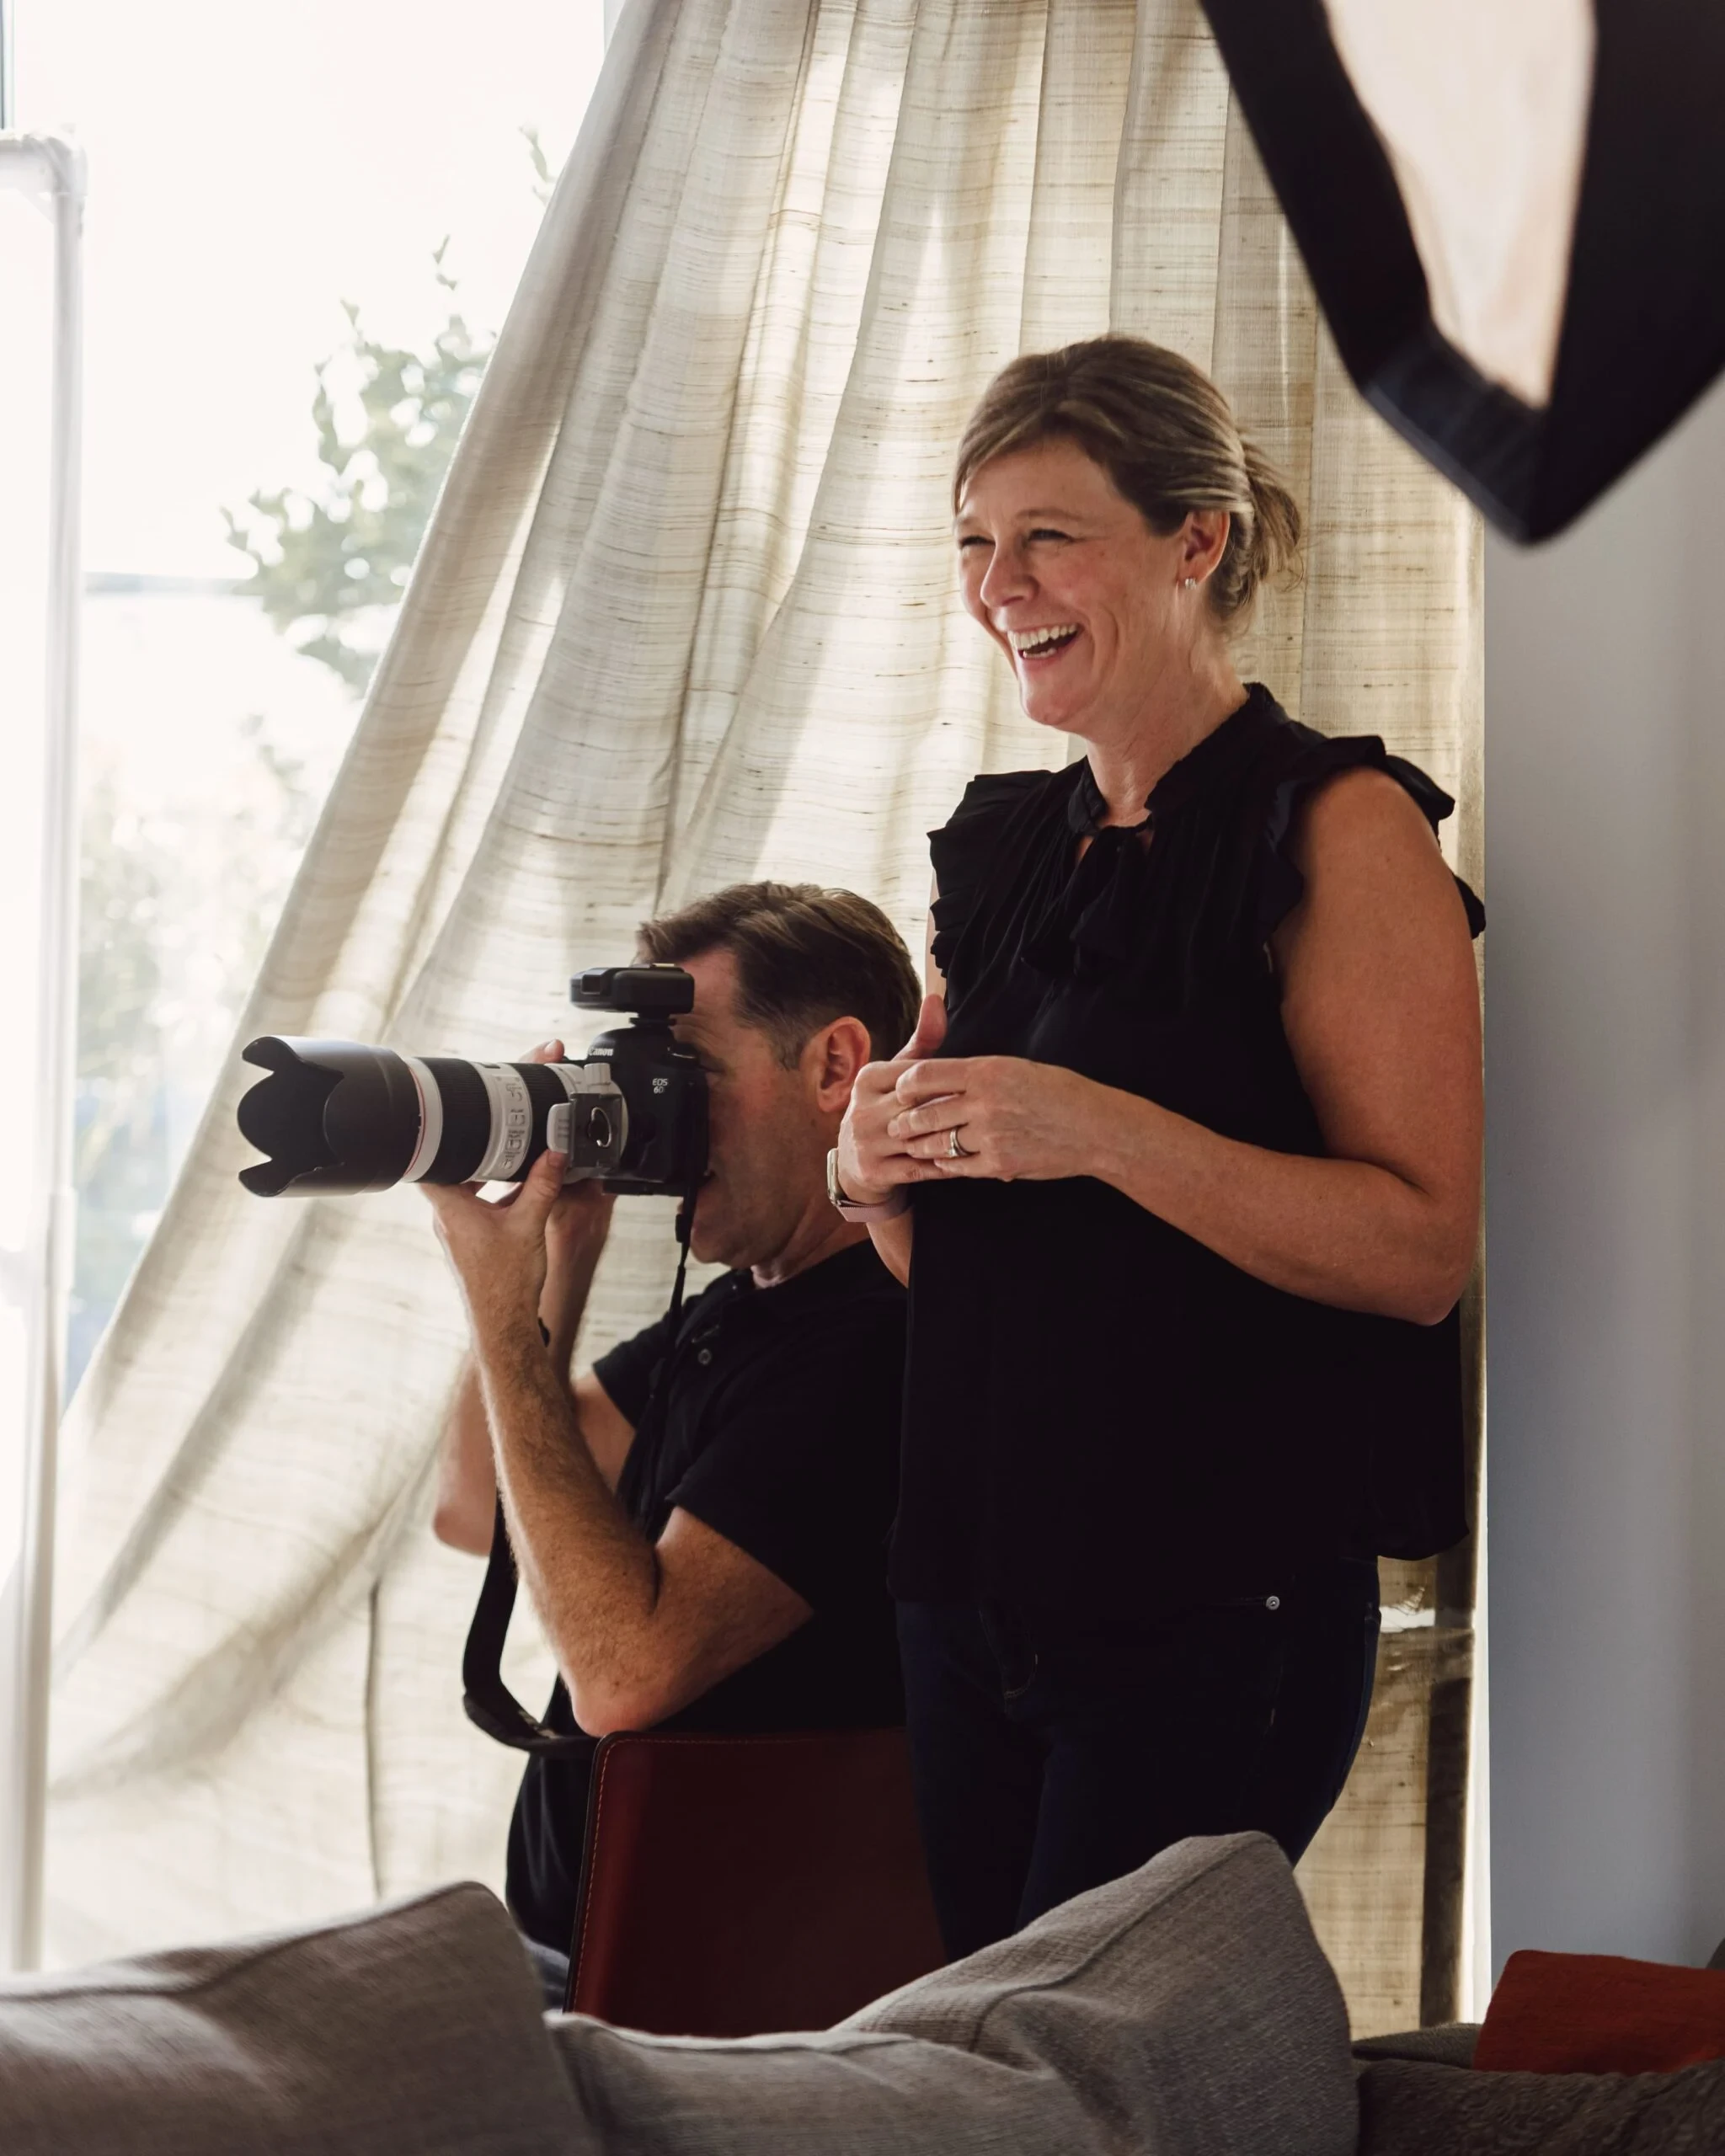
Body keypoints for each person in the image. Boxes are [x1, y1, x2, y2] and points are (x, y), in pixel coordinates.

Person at [833, 334, 1486, 1959]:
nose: (1001, 587)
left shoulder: (1338, 829)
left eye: (1048, 537)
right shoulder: (1002, 853)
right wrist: (871, 1169)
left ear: (1197, 540)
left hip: (1216, 1607)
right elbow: (964, 1266)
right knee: (987, 2065)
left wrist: (1103, 1131)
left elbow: (1418, 1253)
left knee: (1086, 2073)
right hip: (969, 1595)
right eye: (976, 543)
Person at [428, 882, 921, 2000]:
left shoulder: (871, 1340)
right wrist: (560, 1251)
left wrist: (504, 1321)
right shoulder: (739, 1314)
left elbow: (623, 1674)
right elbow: (474, 1505)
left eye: (688, 1072)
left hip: (716, 2002)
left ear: (836, 1067)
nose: (663, 1114)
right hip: (592, 1964)